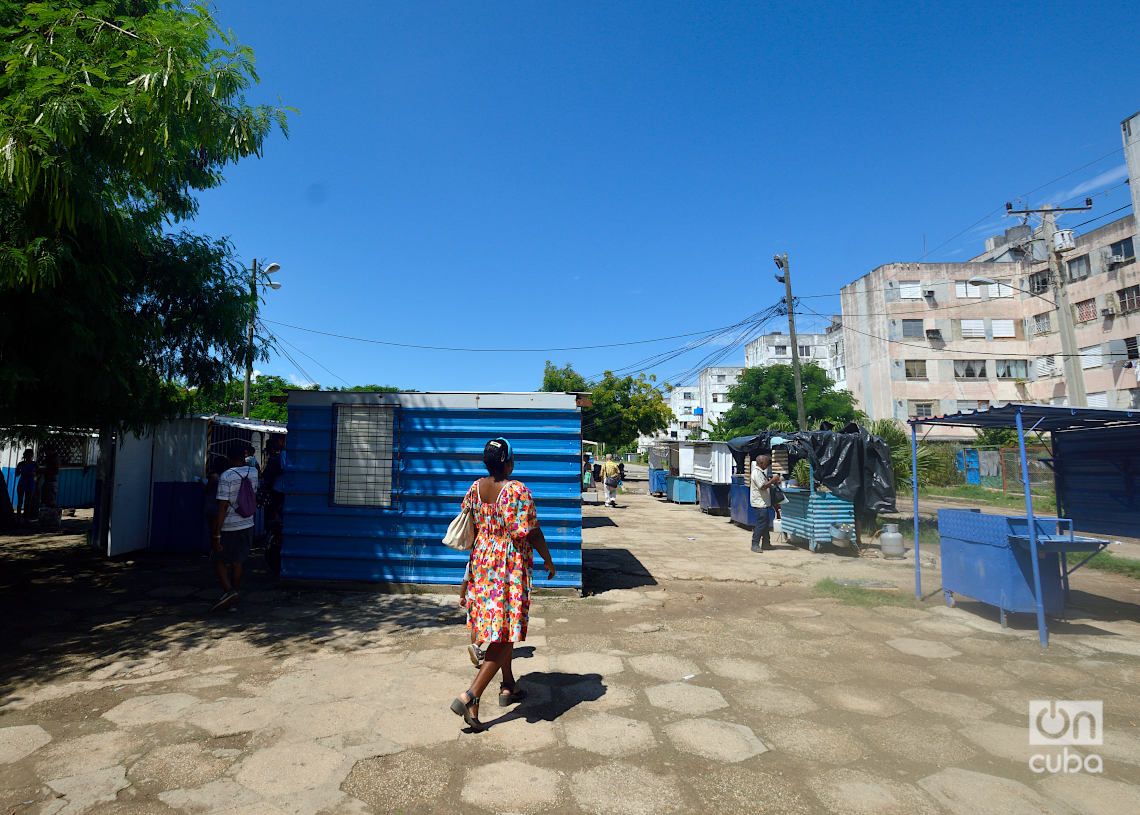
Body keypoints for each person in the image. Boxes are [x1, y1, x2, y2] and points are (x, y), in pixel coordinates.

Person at [450, 437, 556, 732]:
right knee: (505, 633)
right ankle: (471, 694)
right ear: (507, 462)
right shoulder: (517, 491)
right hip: (508, 565)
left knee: (497, 630)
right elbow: (531, 532)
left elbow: (470, 521)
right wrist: (548, 560)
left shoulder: (474, 488)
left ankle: (508, 686)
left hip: (483, 561)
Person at [210, 440, 259, 612]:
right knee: (238, 562)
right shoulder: (253, 472)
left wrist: (217, 533)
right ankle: (234, 594)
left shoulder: (226, 476)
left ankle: (229, 592)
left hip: (229, 525)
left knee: (218, 559)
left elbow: (222, 506)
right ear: (244, 456)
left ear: (229, 458)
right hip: (248, 522)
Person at [749, 453, 781, 553]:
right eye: (767, 462)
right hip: (759, 503)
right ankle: (755, 544)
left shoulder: (761, 472)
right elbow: (762, 486)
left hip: (764, 503)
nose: (768, 464)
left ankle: (766, 543)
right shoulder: (756, 473)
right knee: (761, 524)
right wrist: (773, 480)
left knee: (765, 524)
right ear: (762, 463)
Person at [458, 559, 486, 666]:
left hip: (473, 600)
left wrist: (462, 596)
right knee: (489, 625)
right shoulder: (490, 559)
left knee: (475, 626)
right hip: (485, 600)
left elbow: (465, 581)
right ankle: (475, 647)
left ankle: (475, 650)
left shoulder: (470, 563)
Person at [14, 449, 37, 523]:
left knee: (28, 501)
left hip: (30, 483)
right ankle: (18, 517)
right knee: (20, 501)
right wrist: (20, 470)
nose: (29, 456)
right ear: (25, 455)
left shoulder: (34, 464)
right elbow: (16, 474)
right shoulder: (21, 464)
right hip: (22, 483)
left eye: (30, 455)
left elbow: (39, 473)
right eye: (27, 455)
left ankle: (26, 517)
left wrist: (35, 476)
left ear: (32, 456)